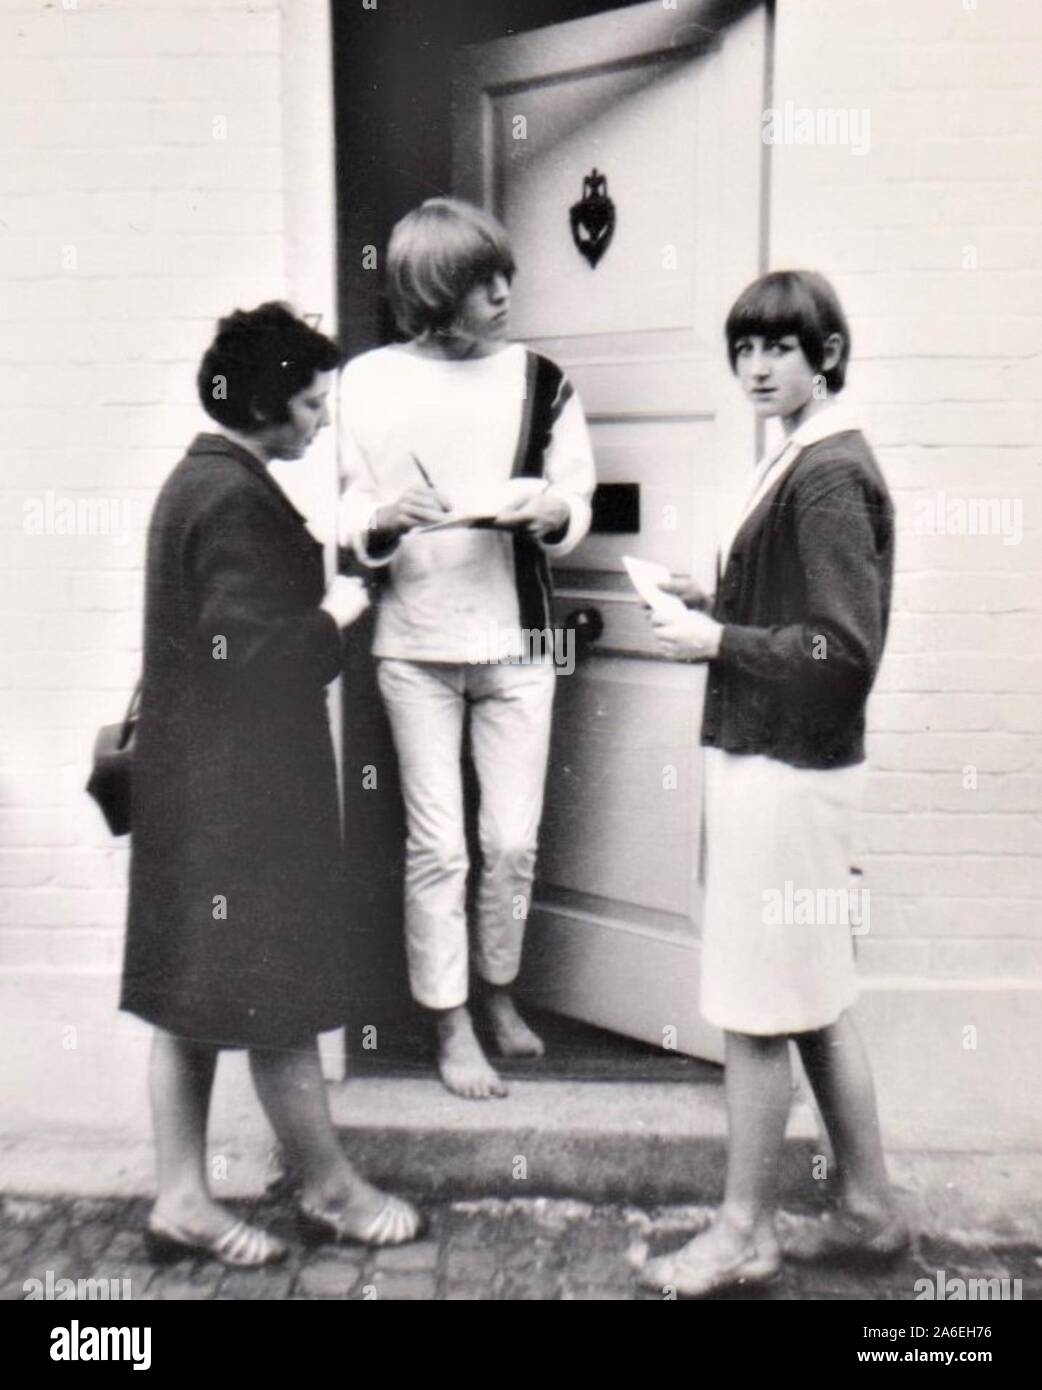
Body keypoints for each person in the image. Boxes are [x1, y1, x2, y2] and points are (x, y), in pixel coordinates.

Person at [122, 302, 423, 1267]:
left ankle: (181, 1200)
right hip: (243, 801)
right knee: (279, 998)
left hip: (193, 791)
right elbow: (249, 658)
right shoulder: (234, 498)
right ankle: (332, 1192)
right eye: (309, 402)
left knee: (189, 999)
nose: (322, 420)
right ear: (263, 403)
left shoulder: (200, 480)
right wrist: (336, 617)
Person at [638, 271, 908, 1297]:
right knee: (816, 998)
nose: (756, 366)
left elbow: (841, 650)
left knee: (757, 1010)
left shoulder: (827, 474)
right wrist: (707, 605)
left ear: (826, 354)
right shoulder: (802, 456)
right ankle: (869, 1208)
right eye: (742, 347)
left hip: (785, 774)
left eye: (779, 348)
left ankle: (743, 1232)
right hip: (787, 768)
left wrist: (714, 637)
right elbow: (793, 616)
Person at [338, 198, 596, 1099]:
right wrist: (378, 519)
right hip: (414, 642)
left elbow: (577, 496)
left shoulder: (540, 377)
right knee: (440, 845)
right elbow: (342, 509)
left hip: (519, 640)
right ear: (435, 290)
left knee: (512, 841)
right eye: (483, 280)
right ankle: (449, 1024)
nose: (504, 292)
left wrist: (552, 511)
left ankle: (498, 993)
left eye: (506, 275)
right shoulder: (364, 382)